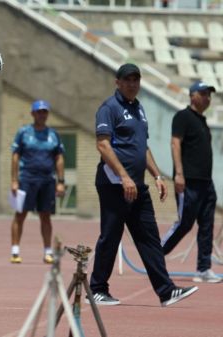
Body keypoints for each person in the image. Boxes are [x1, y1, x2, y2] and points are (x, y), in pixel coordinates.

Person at [88, 63, 198, 307]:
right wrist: (124, 177)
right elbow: (103, 145)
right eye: (127, 79)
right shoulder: (109, 108)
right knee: (111, 236)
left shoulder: (139, 109)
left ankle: (166, 291)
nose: (132, 83)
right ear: (117, 82)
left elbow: (142, 147)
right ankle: (96, 289)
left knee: (149, 239)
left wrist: (158, 176)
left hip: (137, 186)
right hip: (114, 184)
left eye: (136, 79)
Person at [161, 81, 221, 283]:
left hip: (206, 183)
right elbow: (175, 143)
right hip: (189, 182)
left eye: (209, 95)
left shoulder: (202, 121)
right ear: (192, 95)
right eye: (204, 93)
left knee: (207, 225)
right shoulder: (182, 117)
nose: (207, 98)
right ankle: (156, 256)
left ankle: (203, 269)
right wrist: (179, 174)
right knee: (184, 224)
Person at [9, 100, 65, 265]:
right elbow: (15, 156)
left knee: (45, 216)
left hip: (47, 180)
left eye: (45, 112)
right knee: (20, 214)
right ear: (33, 114)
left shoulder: (53, 134)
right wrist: (14, 180)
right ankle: (15, 251)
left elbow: (59, 158)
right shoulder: (24, 132)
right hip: (27, 179)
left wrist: (60, 181)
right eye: (39, 112)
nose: (42, 115)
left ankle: (48, 252)